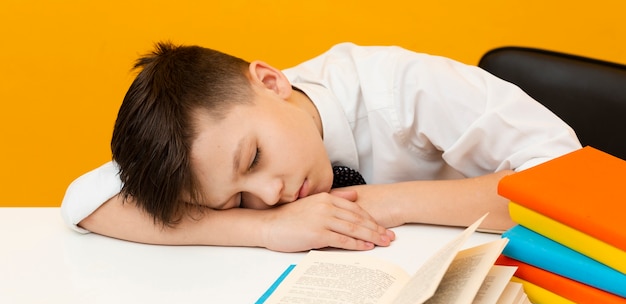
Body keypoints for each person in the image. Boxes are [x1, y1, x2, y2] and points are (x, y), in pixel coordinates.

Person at [61, 42, 581, 252]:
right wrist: (261, 228)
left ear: (269, 82)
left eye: (254, 160)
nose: (270, 194)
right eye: (236, 198)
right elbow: (85, 201)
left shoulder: (401, 89)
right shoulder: (212, 151)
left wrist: (380, 204)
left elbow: (570, 183)